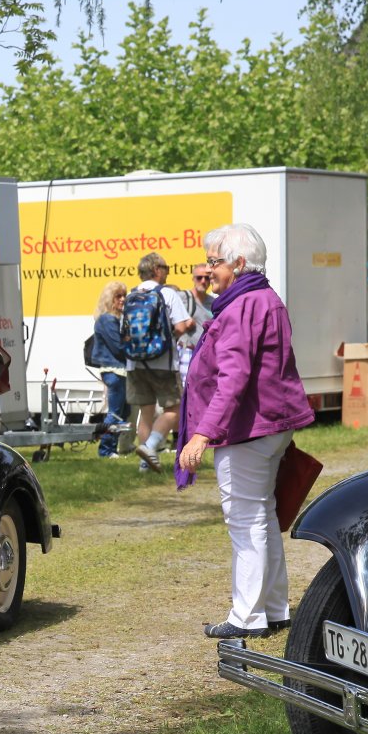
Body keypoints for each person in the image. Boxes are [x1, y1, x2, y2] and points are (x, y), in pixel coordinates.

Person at [176, 223, 315, 640]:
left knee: (246, 520)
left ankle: (247, 616)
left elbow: (232, 378)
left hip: (250, 429)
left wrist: (202, 433)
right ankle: (272, 608)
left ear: (238, 263)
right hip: (268, 425)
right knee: (262, 516)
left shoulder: (242, 305)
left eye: (214, 261)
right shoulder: (265, 297)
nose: (208, 270)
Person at [128, 252, 195, 473]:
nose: (167, 272)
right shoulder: (167, 293)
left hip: (135, 363)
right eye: (166, 267)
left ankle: (144, 465)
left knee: (146, 412)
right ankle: (150, 446)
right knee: (174, 409)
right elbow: (182, 326)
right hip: (162, 363)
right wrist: (167, 341)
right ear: (156, 270)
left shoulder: (131, 294)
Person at [89, 281, 130, 457]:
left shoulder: (116, 319)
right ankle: (106, 449)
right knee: (115, 413)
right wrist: (130, 340)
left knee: (123, 411)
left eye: (124, 295)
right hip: (114, 370)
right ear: (109, 299)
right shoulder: (107, 319)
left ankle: (111, 448)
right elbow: (118, 347)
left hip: (119, 370)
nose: (123, 299)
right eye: (118, 296)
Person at [178, 264, 214, 390]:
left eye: (207, 278)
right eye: (199, 278)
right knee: (185, 391)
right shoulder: (182, 297)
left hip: (206, 355)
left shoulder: (213, 302)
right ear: (193, 279)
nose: (203, 281)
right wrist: (183, 322)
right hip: (187, 351)